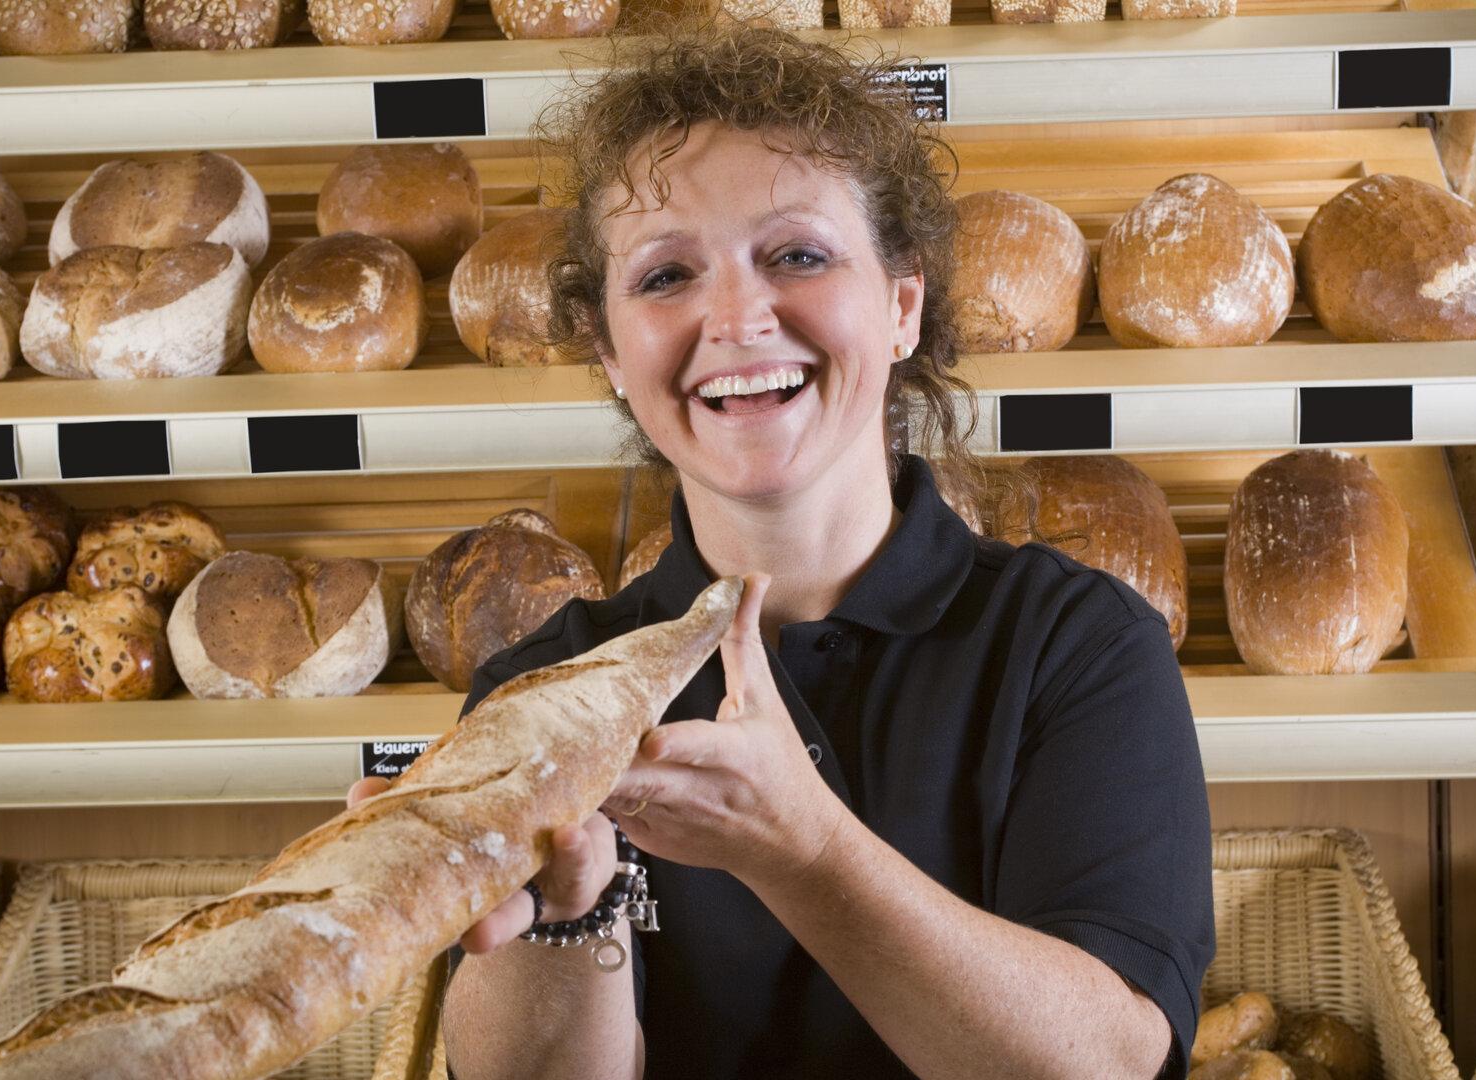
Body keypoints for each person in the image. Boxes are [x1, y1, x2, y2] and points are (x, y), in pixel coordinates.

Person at [351, 22, 1215, 1079]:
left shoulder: (1073, 647)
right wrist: (571, 911)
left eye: (798, 255)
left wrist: (803, 850)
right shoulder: (548, 689)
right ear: (609, 353)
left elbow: (1110, 1063)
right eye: (666, 277)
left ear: (903, 306)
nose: (735, 316)